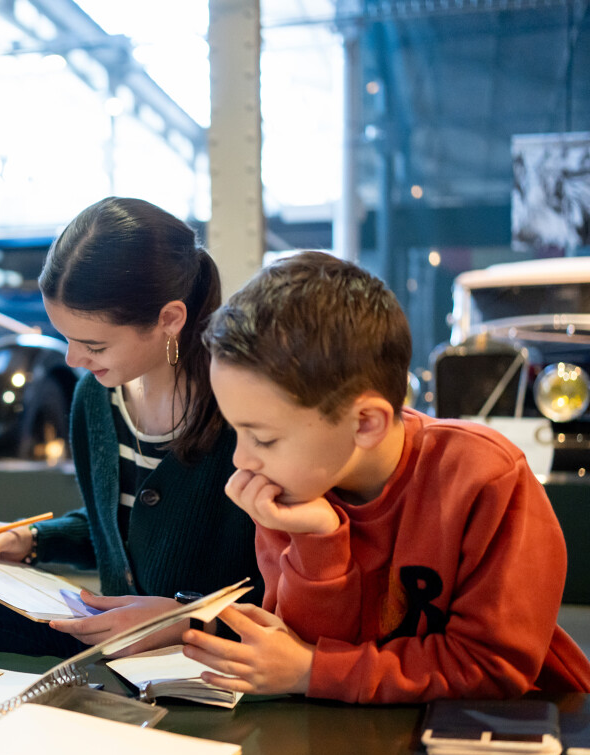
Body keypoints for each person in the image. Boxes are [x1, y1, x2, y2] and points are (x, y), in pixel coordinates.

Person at [185, 250, 590, 702]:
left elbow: (492, 667)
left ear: (365, 423)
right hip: (361, 734)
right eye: (237, 432)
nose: (242, 460)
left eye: (262, 438)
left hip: (507, 738)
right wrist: (318, 542)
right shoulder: (296, 489)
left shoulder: (485, 478)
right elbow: (300, 657)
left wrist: (315, 671)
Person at [0, 197, 261, 657]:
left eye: (93, 345)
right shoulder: (97, 396)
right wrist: (30, 540)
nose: (73, 360)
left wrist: (183, 622)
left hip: (205, 648)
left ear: (169, 319)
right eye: (65, 338)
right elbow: (122, 532)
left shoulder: (243, 410)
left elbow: (279, 583)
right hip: (111, 635)